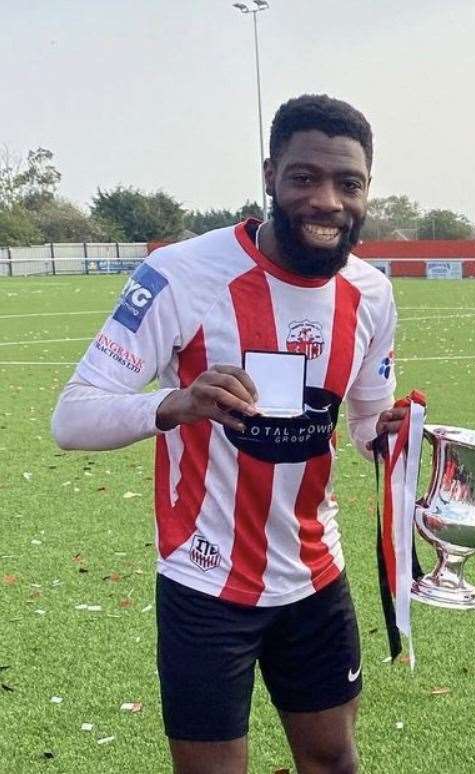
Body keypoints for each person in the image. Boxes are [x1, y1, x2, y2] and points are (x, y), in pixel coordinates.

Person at [52, 94, 407, 774]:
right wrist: (177, 403)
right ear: (271, 175)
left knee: (335, 761)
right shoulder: (181, 274)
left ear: (366, 190)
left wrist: (397, 438)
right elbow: (72, 416)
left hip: (314, 576)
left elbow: (365, 426)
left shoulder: (371, 293)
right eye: (305, 178)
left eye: (348, 183)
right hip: (205, 581)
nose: (326, 200)